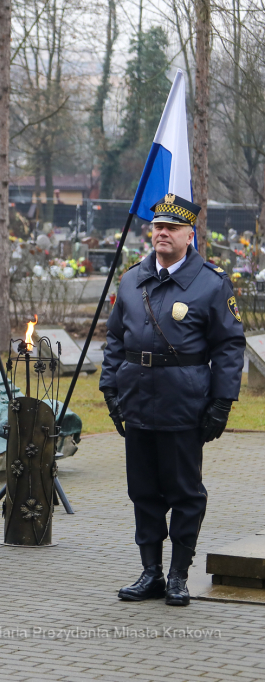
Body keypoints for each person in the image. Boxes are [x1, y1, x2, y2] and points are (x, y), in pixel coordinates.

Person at [100, 194, 245, 607]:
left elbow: (230, 347)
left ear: (189, 235)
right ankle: (151, 573)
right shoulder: (132, 279)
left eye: (172, 228)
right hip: (138, 401)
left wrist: (222, 402)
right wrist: (109, 387)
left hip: (184, 405)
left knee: (184, 493)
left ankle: (179, 574)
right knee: (143, 492)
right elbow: (115, 337)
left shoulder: (211, 283)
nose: (162, 233)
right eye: (158, 227)